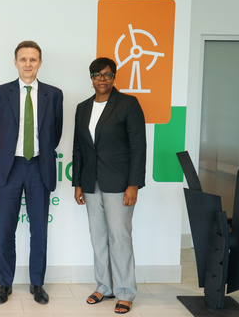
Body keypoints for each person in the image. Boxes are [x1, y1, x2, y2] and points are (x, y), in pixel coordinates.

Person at [0, 40, 63, 305]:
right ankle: (4, 284)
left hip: (39, 167)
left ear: (40, 63)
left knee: (39, 230)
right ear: (15, 62)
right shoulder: (0, 92)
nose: (28, 64)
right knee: (5, 229)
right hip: (10, 167)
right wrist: (13, 151)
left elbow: (55, 134)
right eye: (23, 59)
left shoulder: (53, 94)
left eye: (33, 60)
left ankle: (37, 284)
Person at [72, 57, 146, 314]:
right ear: (91, 78)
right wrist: (78, 184)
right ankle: (104, 286)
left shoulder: (128, 104)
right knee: (98, 237)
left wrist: (134, 184)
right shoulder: (82, 107)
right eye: (97, 75)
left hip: (119, 182)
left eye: (107, 75)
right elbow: (79, 148)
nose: (102, 79)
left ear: (114, 77)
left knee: (120, 237)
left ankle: (125, 292)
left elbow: (138, 146)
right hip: (91, 183)